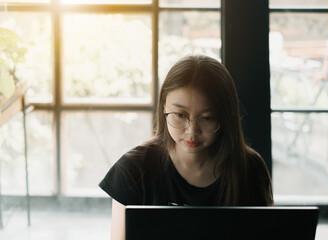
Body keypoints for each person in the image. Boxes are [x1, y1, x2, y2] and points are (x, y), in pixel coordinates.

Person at [99, 55, 273, 240]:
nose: (191, 131)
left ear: (226, 116)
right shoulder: (133, 168)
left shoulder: (250, 167)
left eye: (206, 118)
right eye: (180, 115)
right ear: (163, 106)